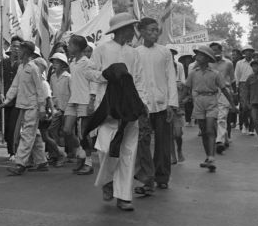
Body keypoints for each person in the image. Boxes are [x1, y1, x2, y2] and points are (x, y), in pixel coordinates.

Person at [86, 12, 148, 212]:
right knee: (106, 148)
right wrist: (106, 75)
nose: (133, 32)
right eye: (131, 28)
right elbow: (89, 72)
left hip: (130, 106)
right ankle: (107, 181)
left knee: (128, 151)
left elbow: (139, 80)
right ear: (122, 30)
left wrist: (143, 104)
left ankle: (123, 196)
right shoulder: (102, 49)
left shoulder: (134, 53)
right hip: (108, 107)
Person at [133, 18, 178, 194]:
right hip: (142, 105)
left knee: (163, 143)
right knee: (142, 143)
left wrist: (171, 104)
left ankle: (162, 177)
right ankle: (147, 179)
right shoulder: (135, 53)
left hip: (162, 104)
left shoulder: (165, 52)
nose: (154, 33)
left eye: (156, 30)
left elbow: (171, 78)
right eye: (151, 30)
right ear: (142, 32)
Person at [182, 45, 236, 172]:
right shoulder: (193, 73)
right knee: (204, 131)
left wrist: (233, 105)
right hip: (198, 102)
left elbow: (224, 90)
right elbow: (186, 89)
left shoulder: (215, 74)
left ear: (207, 58)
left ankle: (211, 157)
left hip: (212, 101)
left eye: (201, 55)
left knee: (210, 129)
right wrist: (178, 101)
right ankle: (208, 157)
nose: (198, 56)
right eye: (197, 54)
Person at [1, 41, 48, 176]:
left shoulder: (33, 68)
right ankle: (41, 161)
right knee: (34, 133)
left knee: (27, 134)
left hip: (33, 106)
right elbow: (15, 86)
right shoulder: (21, 67)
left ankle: (20, 163)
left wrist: (42, 108)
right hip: (23, 105)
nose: (17, 52)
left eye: (20, 50)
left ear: (26, 52)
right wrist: (7, 101)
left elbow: (40, 89)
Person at [62, 34, 97, 175]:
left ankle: (88, 163)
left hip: (84, 101)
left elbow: (93, 82)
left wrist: (91, 101)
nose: (68, 47)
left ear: (77, 47)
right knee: (67, 130)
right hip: (73, 100)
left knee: (83, 133)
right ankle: (81, 154)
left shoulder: (88, 63)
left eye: (70, 44)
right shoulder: (72, 63)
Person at [0, 36, 22, 160]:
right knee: (6, 126)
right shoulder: (4, 62)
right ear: (10, 47)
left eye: (18, 46)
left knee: (14, 126)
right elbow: (0, 79)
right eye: (14, 46)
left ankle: (14, 151)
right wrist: (0, 93)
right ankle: (10, 149)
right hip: (5, 99)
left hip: (18, 100)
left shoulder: (22, 64)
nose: (16, 49)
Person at [210, 42, 236, 153]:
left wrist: (235, 94)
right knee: (214, 117)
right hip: (212, 92)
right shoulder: (208, 63)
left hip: (225, 91)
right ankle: (224, 137)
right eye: (212, 50)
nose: (214, 52)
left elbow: (233, 79)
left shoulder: (228, 63)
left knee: (222, 116)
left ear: (221, 51)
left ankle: (219, 141)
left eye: (216, 50)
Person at [48, 52, 71, 167]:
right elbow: (51, 93)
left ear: (63, 64)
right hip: (56, 109)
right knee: (52, 131)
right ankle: (57, 154)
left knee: (62, 132)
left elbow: (72, 93)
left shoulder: (68, 77)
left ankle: (62, 156)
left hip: (67, 109)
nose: (54, 65)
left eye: (57, 62)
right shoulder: (52, 77)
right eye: (53, 62)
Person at [235, 46, 255, 135]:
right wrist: (236, 86)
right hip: (242, 85)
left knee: (253, 106)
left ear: (252, 52)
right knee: (244, 106)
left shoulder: (255, 62)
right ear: (244, 53)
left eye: (250, 51)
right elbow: (237, 75)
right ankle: (245, 124)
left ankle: (251, 128)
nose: (249, 53)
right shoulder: (239, 63)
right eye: (247, 51)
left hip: (253, 85)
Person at [177, 53, 195, 126]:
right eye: (186, 59)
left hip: (191, 86)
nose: (187, 60)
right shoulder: (182, 68)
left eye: (189, 59)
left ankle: (194, 119)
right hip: (184, 87)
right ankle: (188, 119)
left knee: (192, 103)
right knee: (186, 104)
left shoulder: (192, 67)